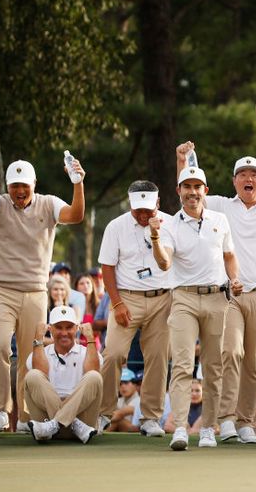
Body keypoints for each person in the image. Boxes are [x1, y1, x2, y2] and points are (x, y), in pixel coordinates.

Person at [175, 142, 256, 445]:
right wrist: (181, 160)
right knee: (231, 352)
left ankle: (245, 423)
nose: (248, 178)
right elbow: (189, 192)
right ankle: (226, 420)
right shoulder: (221, 205)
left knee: (254, 360)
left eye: (254, 174)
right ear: (234, 181)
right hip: (230, 294)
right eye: (242, 174)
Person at [0, 152, 86, 432]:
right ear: (7, 187)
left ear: (34, 185)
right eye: (14, 186)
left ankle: (25, 416)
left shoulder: (48, 204)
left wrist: (77, 183)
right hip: (1, 289)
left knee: (31, 357)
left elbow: (76, 215)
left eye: (24, 186)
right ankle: (0, 411)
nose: (19, 191)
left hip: (34, 291)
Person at [150, 163, 243, 450]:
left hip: (217, 297)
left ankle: (208, 429)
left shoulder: (220, 220)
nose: (192, 192)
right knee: (182, 363)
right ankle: (179, 427)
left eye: (196, 187)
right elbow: (165, 262)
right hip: (184, 298)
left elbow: (229, 255)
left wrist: (235, 278)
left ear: (205, 190)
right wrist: (154, 237)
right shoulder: (168, 225)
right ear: (178, 191)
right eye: (186, 187)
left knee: (213, 367)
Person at [97, 181, 171, 437]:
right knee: (113, 354)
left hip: (163, 297)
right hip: (126, 297)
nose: (142, 215)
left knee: (158, 357)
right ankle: (104, 413)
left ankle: (150, 418)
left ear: (157, 204)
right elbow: (107, 267)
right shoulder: (115, 226)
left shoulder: (169, 223)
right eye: (137, 210)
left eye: (147, 210)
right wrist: (116, 303)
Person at [25, 306, 102, 443]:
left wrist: (90, 338)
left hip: (81, 423)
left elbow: (93, 371)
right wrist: (38, 338)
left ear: (77, 328)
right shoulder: (39, 353)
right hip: (48, 422)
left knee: (94, 376)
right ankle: (70, 422)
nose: (64, 333)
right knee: (33, 376)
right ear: (50, 329)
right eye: (59, 327)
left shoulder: (87, 352)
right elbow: (40, 374)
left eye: (69, 327)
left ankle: (58, 423)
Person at [106, 368, 140, 432]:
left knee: (119, 420)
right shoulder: (119, 400)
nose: (123, 386)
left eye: (126, 382)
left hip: (139, 432)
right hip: (129, 431)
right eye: (120, 383)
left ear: (135, 384)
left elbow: (118, 415)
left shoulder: (138, 399)